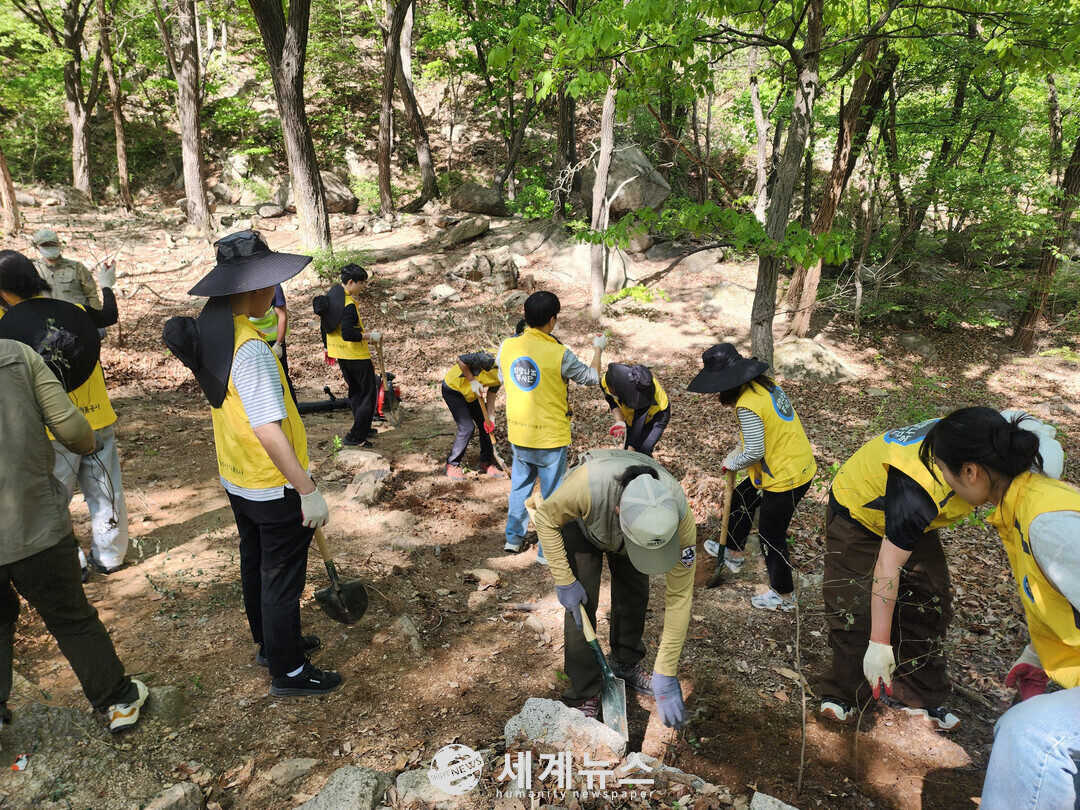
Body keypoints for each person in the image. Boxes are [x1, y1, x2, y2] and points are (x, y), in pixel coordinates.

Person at [163, 230, 341, 697]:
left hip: (237, 476)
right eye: (271, 282)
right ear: (253, 287)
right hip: (271, 483)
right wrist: (307, 490)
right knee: (281, 577)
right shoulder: (250, 349)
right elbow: (267, 429)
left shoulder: (213, 330)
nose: (275, 290)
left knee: (256, 563)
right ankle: (290, 671)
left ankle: (271, 644)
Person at [920, 408, 1078, 809]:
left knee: (1029, 734)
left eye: (943, 470)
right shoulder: (1021, 508)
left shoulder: (1047, 522)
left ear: (970, 472)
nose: (944, 481)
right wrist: (1037, 656)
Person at [0, 320, 146, 734]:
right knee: (70, 617)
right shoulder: (16, 355)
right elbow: (72, 430)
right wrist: (85, 444)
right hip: (35, 524)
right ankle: (117, 702)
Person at [533, 449, 695, 727]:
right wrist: (565, 580)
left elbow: (680, 596)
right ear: (618, 512)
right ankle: (584, 691)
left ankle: (625, 661)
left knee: (635, 594)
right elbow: (546, 518)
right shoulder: (585, 488)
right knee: (581, 607)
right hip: (583, 524)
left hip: (638, 535)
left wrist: (666, 671)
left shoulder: (678, 513)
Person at [0, 250, 129, 577]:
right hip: (97, 416)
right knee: (106, 489)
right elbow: (109, 314)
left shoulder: (6, 327)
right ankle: (111, 556)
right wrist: (106, 283)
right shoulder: (75, 309)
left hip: (50, 430)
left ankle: (74, 563)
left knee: (55, 498)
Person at [687, 344, 816, 611]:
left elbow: (756, 451)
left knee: (771, 536)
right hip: (796, 463)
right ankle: (733, 553)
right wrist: (739, 447)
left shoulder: (747, 404)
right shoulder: (765, 386)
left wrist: (731, 462)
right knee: (743, 496)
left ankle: (784, 596)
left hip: (785, 477)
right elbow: (767, 429)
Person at [497, 291, 605, 561]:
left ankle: (513, 539)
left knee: (519, 487)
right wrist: (598, 348)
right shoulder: (559, 354)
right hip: (550, 438)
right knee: (552, 495)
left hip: (520, 432)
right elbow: (592, 378)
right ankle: (547, 551)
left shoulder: (507, 346)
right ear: (552, 320)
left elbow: (502, 376)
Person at [314, 264, 380, 448]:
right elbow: (348, 334)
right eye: (361, 283)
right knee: (367, 394)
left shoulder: (332, 298)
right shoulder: (348, 305)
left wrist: (327, 348)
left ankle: (363, 426)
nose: (362, 287)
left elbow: (324, 326)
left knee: (356, 391)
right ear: (351, 282)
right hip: (356, 356)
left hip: (341, 355)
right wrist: (370, 336)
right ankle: (356, 436)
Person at [441, 350, 504, 480]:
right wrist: (472, 381)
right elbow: (460, 360)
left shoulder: (505, 375)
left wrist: (490, 417)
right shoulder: (489, 360)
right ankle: (452, 464)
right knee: (467, 428)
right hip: (453, 389)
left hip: (471, 394)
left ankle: (485, 462)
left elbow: (492, 394)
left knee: (486, 424)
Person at [600, 362, 670, 457]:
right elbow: (611, 400)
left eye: (615, 394)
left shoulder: (642, 394)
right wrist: (620, 421)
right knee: (627, 449)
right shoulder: (607, 380)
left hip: (657, 415)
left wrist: (631, 453)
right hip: (632, 416)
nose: (613, 395)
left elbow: (638, 425)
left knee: (642, 452)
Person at [250, 283, 296, 402]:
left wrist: (278, 344)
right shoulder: (246, 286)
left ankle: (291, 409)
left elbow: (282, 316)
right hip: (253, 342)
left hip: (273, 342)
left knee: (282, 378)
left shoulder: (274, 287)